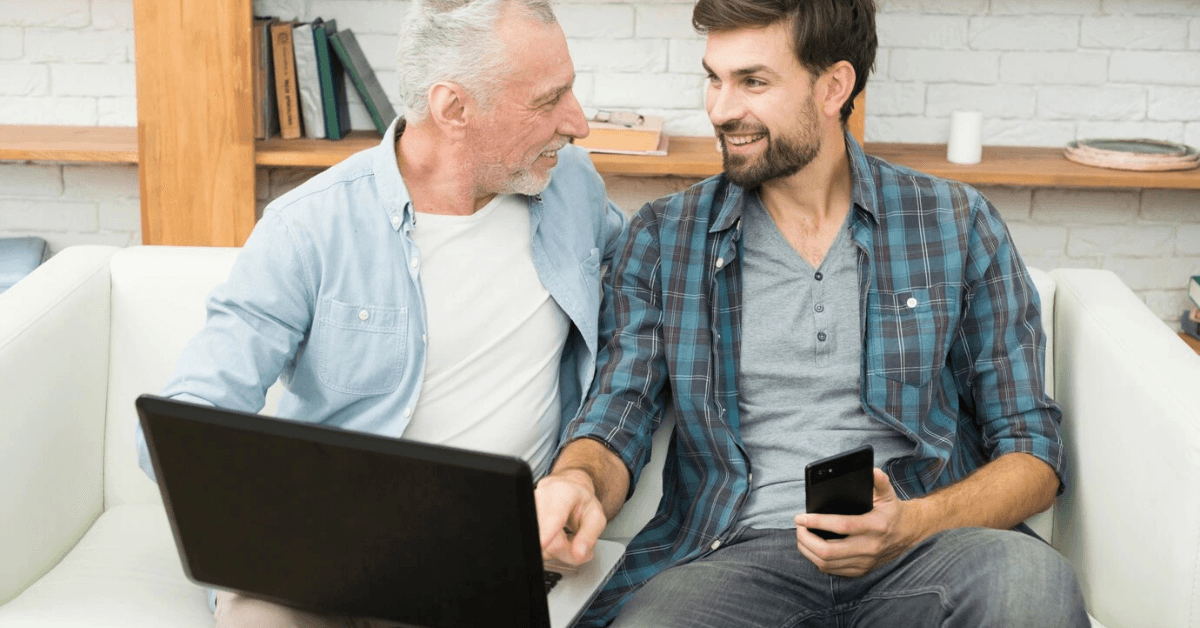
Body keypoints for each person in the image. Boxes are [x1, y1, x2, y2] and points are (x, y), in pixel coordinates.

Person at [535, 0, 1089, 626]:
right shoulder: (665, 237)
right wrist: (576, 481)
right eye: (714, 78)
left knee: (1031, 581)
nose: (720, 109)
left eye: (753, 82)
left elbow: (1032, 452)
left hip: (927, 549)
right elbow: (617, 415)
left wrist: (911, 524)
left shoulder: (953, 224)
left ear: (833, 87)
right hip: (736, 557)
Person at [134, 0, 625, 626]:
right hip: (324, 555)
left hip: (491, 550)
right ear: (454, 109)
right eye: (547, 100)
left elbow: (646, 282)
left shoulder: (571, 187)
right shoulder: (309, 227)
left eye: (571, 91)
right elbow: (188, 420)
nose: (577, 123)